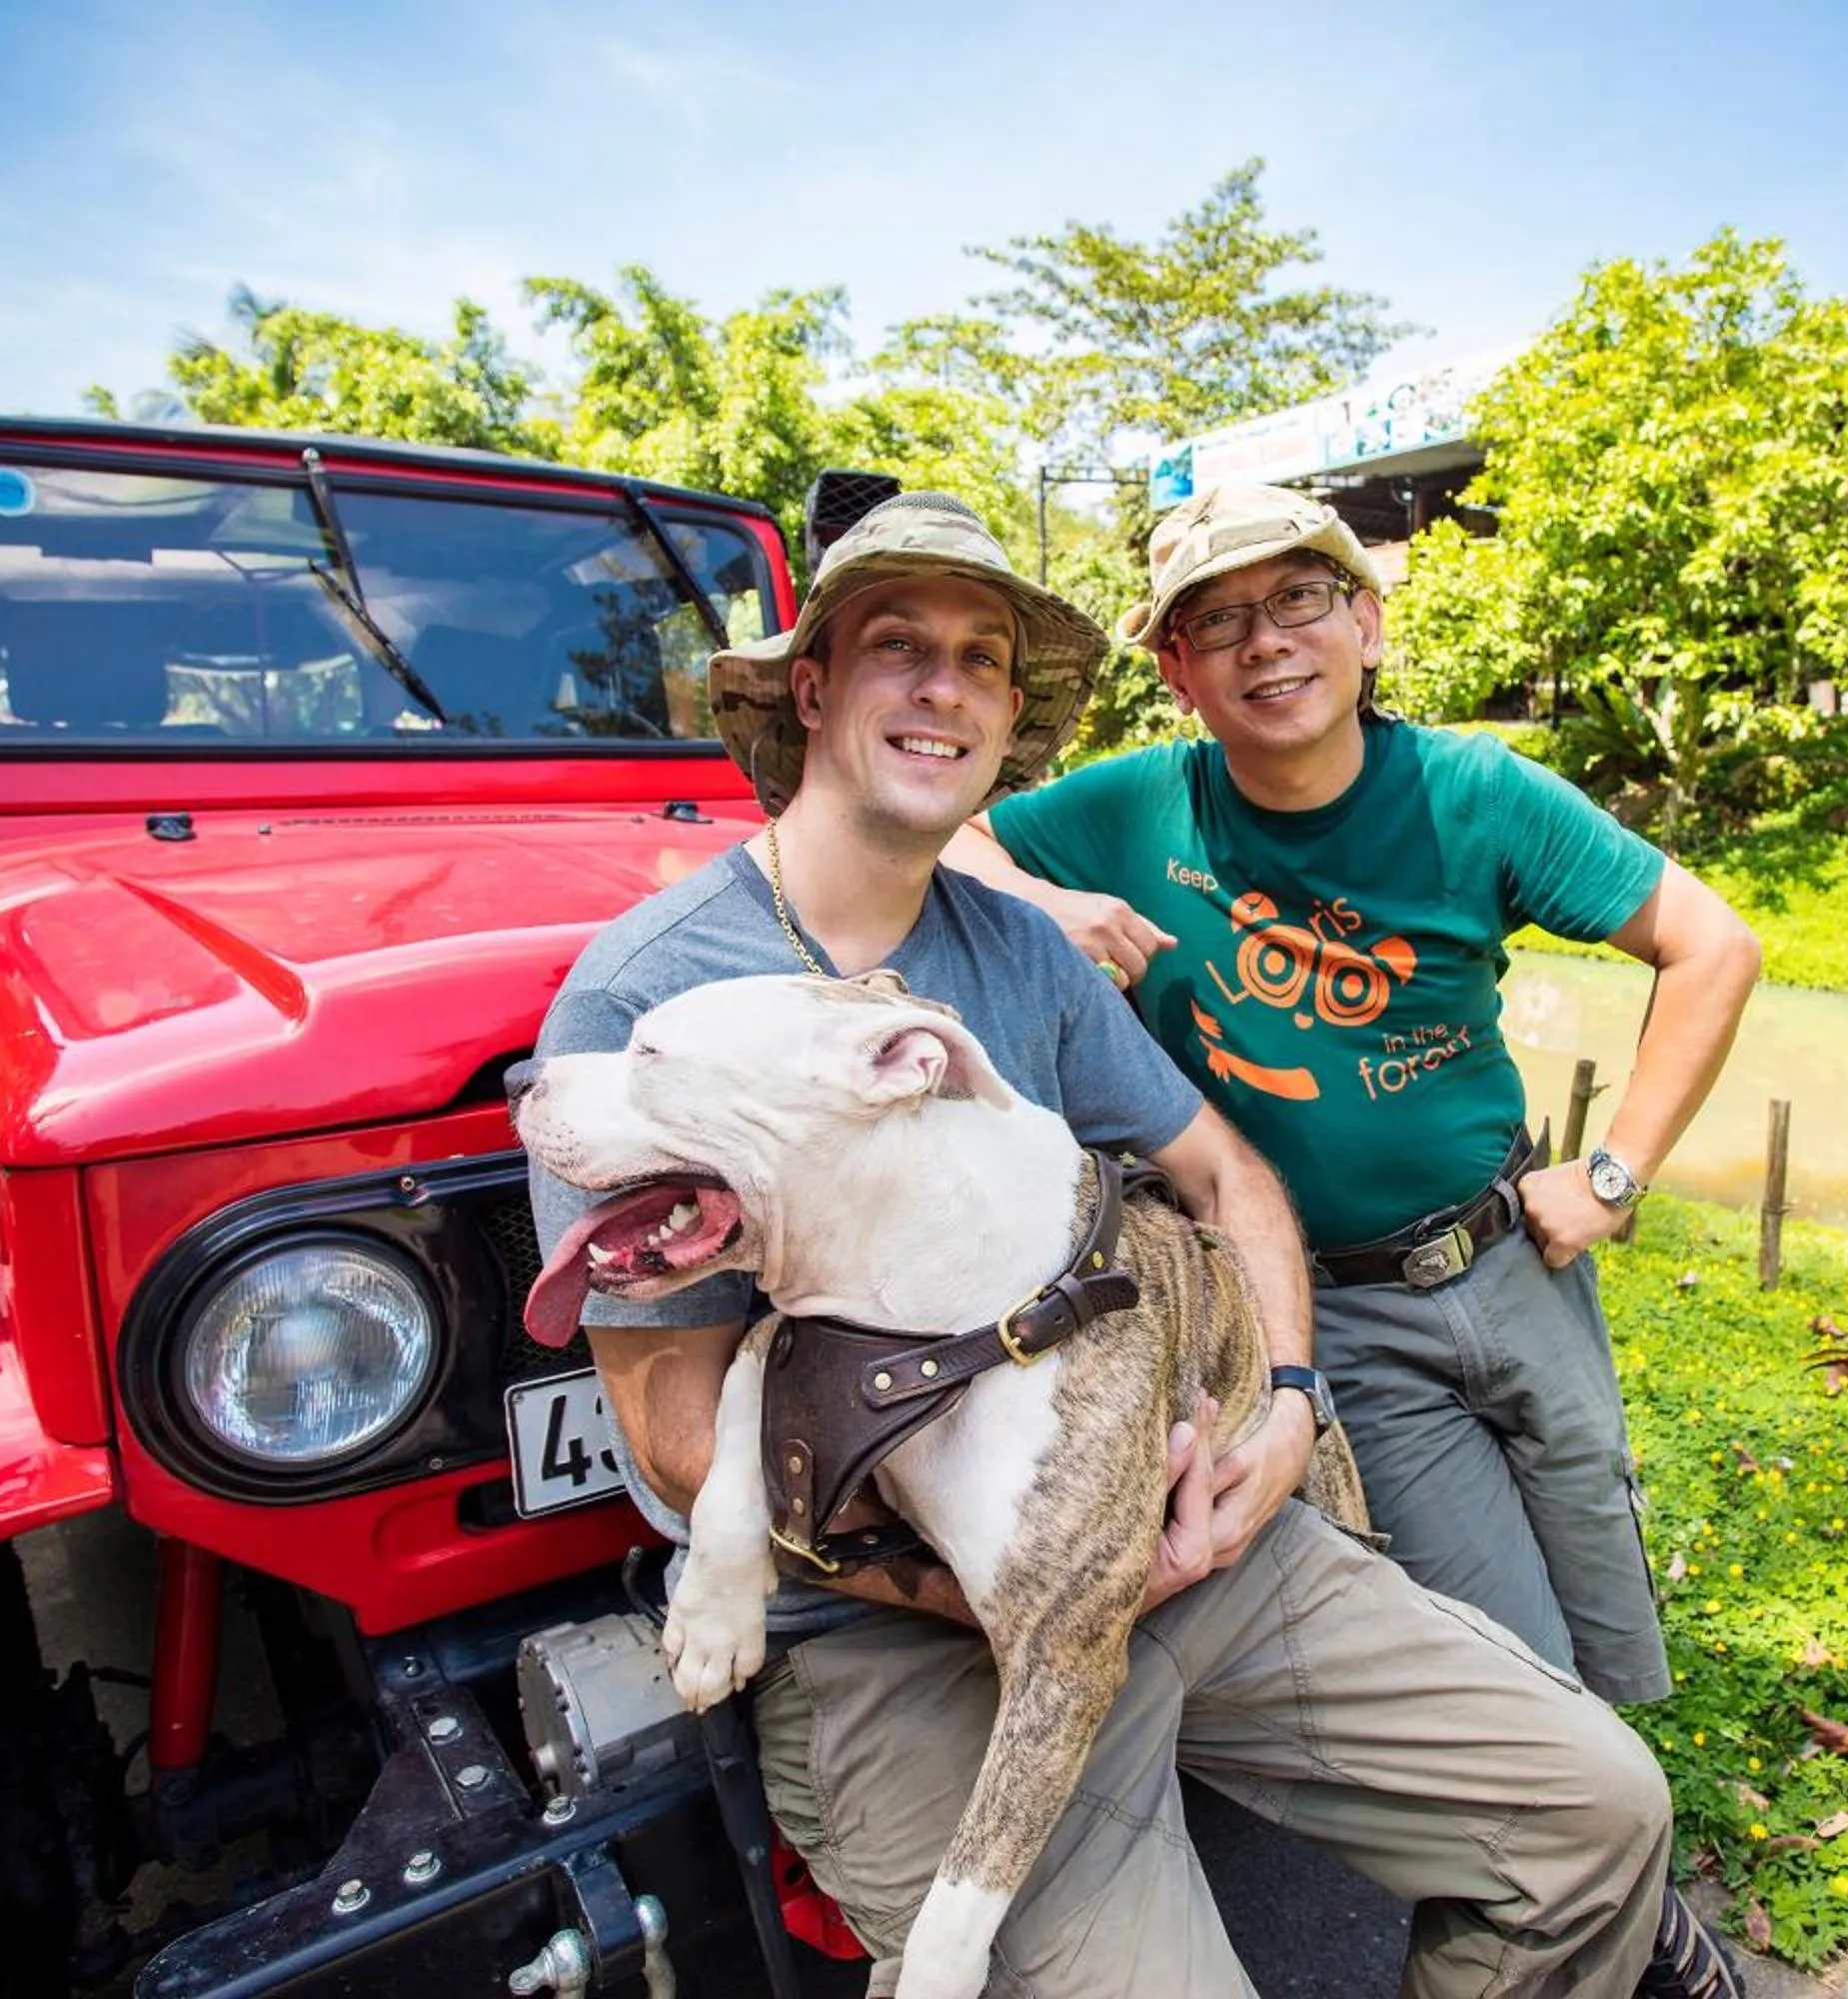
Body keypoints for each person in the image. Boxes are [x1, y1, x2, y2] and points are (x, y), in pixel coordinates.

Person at [531, 492, 1740, 1997]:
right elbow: (673, 1432)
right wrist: (1041, 1582)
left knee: (1596, 1808)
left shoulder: (1018, 952)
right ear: (814, 688)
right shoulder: (663, 1010)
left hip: (1186, 1523)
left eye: (984, 660)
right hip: (902, 1622)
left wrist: (1291, 1409)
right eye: (898, 646)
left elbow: (1229, 1175)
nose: (946, 688)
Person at [949, 484, 1761, 1705]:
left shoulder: (1473, 791)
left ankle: (1631, 1833)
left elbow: (1712, 944)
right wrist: (1048, 904)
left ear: (1366, 624)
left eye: (1296, 600)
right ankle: (1552, 1818)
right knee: (1511, 1662)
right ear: (1177, 668)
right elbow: (947, 831)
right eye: (1218, 623)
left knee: (1606, 1567)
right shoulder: (1135, 807)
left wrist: (1613, 1173)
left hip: (1515, 1256)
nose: (1265, 641)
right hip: (1339, 1306)